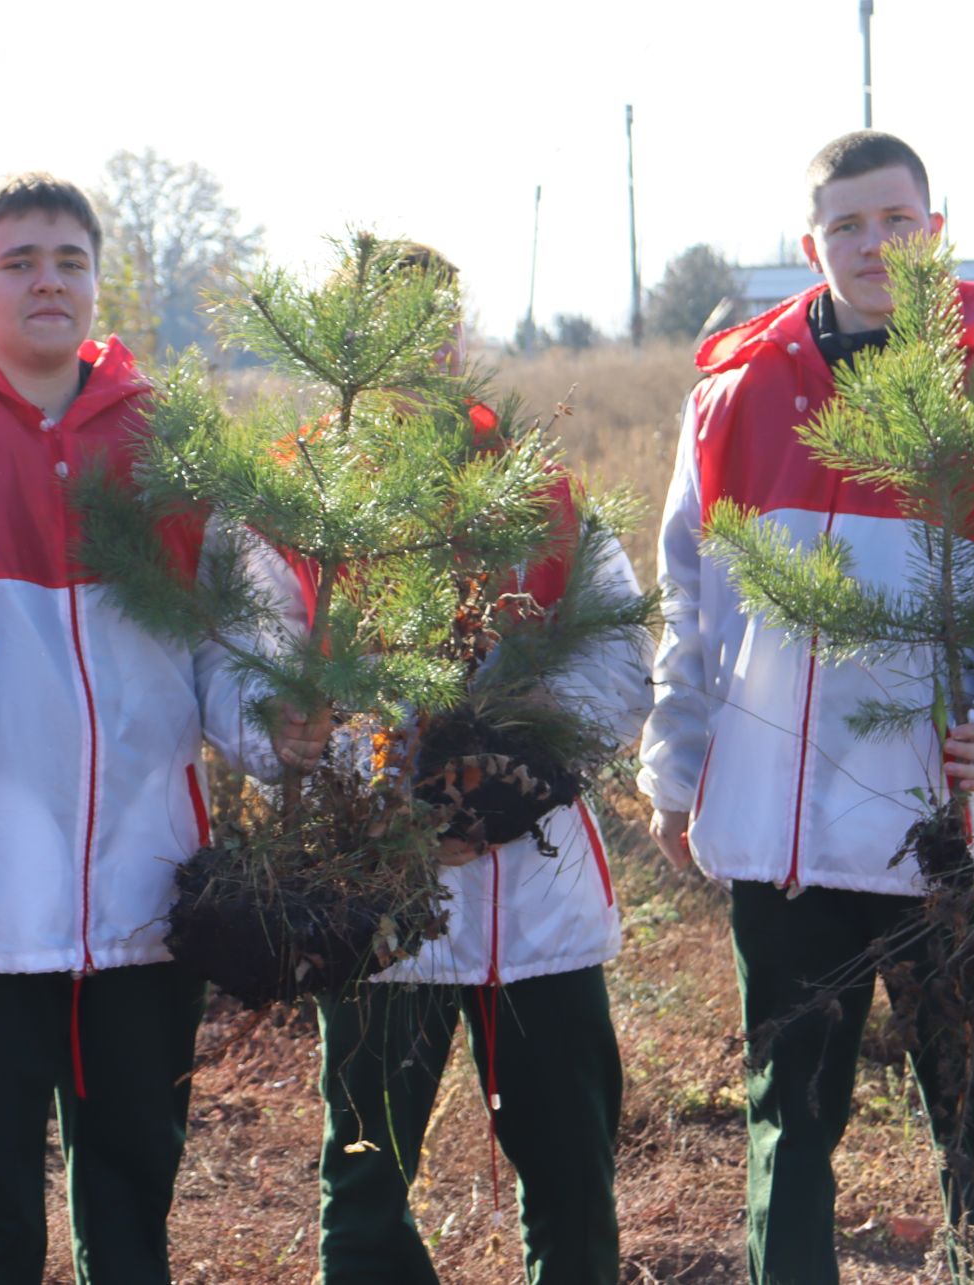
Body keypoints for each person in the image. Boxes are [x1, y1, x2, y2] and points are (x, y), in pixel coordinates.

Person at [0, 171, 328, 1285]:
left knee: (133, 1206)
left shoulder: (179, 452)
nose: (48, 281)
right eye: (19, 261)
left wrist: (285, 735)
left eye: (69, 261)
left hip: (151, 897)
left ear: (97, 280)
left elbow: (236, 650)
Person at [636, 130, 974, 1284]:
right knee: (788, 1125)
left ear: (935, 234)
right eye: (848, 224)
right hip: (785, 840)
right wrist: (673, 769)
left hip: (947, 837)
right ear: (812, 243)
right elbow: (692, 602)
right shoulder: (734, 395)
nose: (874, 244)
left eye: (897, 221)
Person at [303, 244, 650, 1285]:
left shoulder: (542, 495)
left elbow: (617, 659)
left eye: (436, 322)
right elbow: (257, 689)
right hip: (387, 905)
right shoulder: (304, 501)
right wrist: (401, 803)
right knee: (364, 1190)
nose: (422, 346)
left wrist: (504, 788)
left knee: (574, 1187)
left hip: (538, 904)